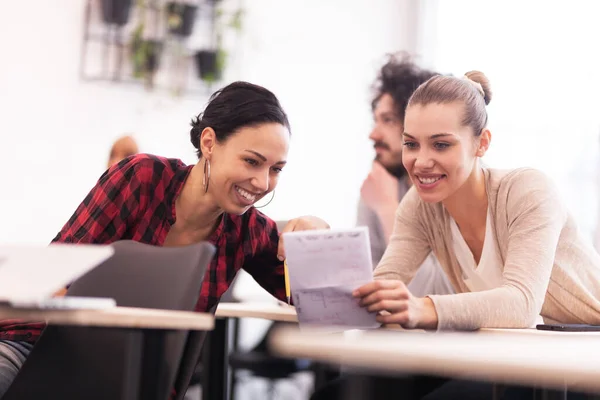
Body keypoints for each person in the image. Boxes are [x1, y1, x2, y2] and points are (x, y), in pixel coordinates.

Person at [0, 81, 329, 397]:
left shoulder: (247, 230)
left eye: (276, 169)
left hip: (134, 381)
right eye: (252, 161)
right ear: (209, 143)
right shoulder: (142, 178)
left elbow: (324, 303)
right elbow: (56, 270)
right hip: (34, 346)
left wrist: (320, 238)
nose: (262, 182)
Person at [315, 71, 600, 399]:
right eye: (411, 144)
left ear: (482, 143)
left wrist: (423, 309)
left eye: (441, 144)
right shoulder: (420, 206)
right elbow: (386, 282)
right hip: (511, 359)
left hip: (582, 365)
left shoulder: (529, 191)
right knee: (336, 395)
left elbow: (521, 303)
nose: (420, 161)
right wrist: (319, 278)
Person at [358, 53, 454, 297]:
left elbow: (430, 295)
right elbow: (366, 282)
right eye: (375, 120)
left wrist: (388, 209)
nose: (373, 134)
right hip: (386, 333)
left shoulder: (452, 188)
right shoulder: (381, 182)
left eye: (387, 120)